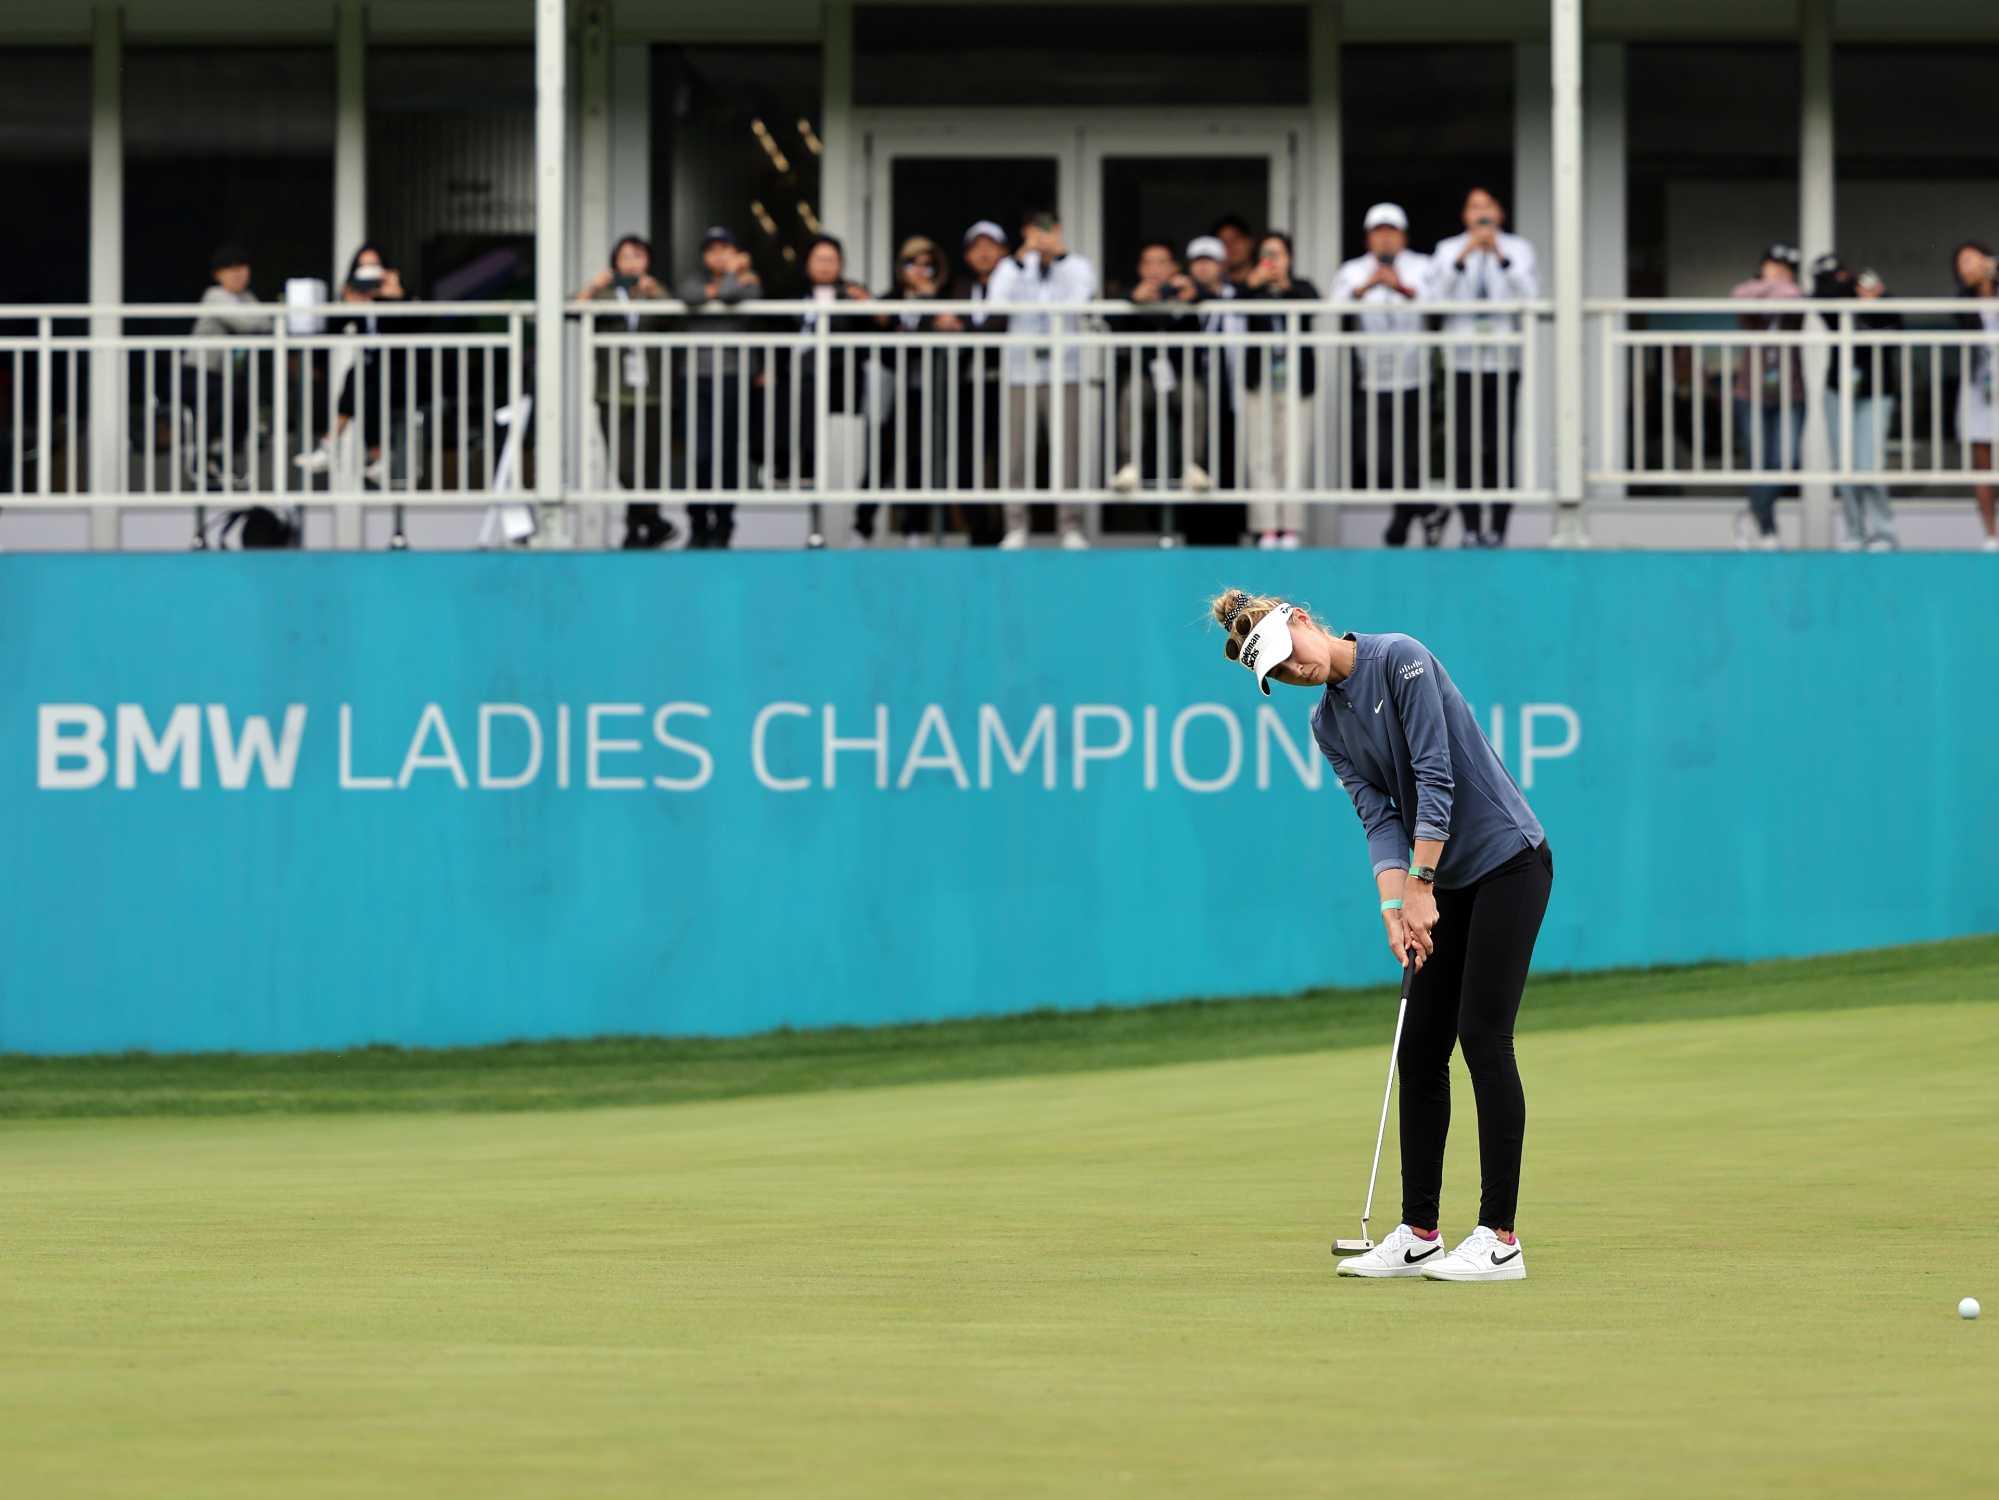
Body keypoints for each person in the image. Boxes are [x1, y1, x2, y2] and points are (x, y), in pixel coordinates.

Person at [1209, 587, 1553, 1282]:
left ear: (1301, 620)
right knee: (1420, 1048)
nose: (1291, 671)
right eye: (1274, 674)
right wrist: (1394, 909)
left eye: (1287, 655)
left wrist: (1421, 885)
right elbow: (1377, 818)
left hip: (1507, 862)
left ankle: (1499, 1238)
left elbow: (1435, 775)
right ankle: (1419, 1230)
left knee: (1482, 1036)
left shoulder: (1401, 659)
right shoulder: (1326, 726)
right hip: (1440, 881)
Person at [1429, 188, 1538, 547]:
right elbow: (1435, 299)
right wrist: (1465, 255)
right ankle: (1471, 525)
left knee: (1500, 445)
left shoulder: (1518, 249)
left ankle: (1499, 527)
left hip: (1503, 362)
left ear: (1500, 214)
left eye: (1487, 207)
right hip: (1462, 363)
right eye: (1474, 207)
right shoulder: (1448, 250)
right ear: (1465, 216)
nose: (1481, 213)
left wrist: (1500, 256)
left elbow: (1531, 296)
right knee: (1464, 446)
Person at [1332, 203, 1441, 547]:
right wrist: (1366, 287)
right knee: (1375, 456)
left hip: (1415, 375)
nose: (1385, 239)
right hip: (1372, 377)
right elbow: (1333, 306)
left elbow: (1439, 303)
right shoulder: (1352, 270)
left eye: (1391, 232)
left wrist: (1402, 288)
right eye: (1378, 232)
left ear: (1403, 236)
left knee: (1409, 457)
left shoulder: (1423, 266)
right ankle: (1427, 508)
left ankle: (1399, 527)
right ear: (1368, 238)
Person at [296, 245, 420, 546]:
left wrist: (395, 298)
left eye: (375, 267)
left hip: (405, 375)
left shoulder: (399, 295)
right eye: (362, 269)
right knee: (361, 379)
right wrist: (346, 303)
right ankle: (374, 457)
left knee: (363, 377)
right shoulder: (360, 300)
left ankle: (330, 444)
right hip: (372, 377)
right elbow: (333, 333)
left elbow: (414, 327)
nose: (369, 276)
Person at [988, 208, 1097, 549]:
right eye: (1036, 231)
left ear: (1060, 231)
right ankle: (1016, 524)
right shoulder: (1011, 267)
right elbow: (997, 302)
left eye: (1048, 231)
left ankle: (1070, 526)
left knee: (1067, 452)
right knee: (1016, 451)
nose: (1042, 237)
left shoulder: (1076, 265)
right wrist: (1022, 262)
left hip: (1064, 371)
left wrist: (1058, 257)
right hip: (1021, 373)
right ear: (1024, 233)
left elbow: (1080, 298)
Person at [576, 234, 677, 549]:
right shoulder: (605, 295)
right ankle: (652, 519)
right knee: (623, 463)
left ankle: (638, 529)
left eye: (638, 256)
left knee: (650, 465)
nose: (632, 262)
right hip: (613, 392)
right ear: (614, 263)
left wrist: (655, 291)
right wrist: (594, 286)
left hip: (652, 391)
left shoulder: (655, 292)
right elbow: (569, 309)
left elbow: (677, 317)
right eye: (625, 257)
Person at [676, 226, 761, 549]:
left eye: (725, 249)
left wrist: (730, 278)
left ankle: (723, 524)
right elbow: (688, 296)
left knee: (726, 453)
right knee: (699, 452)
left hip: (732, 375)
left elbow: (730, 296)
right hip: (694, 376)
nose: (717, 255)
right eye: (711, 250)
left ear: (737, 252)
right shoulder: (694, 278)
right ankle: (698, 523)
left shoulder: (750, 281)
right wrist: (731, 276)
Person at [1811, 253, 1900, 553]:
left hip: (1877, 391)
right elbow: (1822, 301)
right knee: (1844, 466)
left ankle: (1884, 534)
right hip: (1839, 390)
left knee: (1868, 465)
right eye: (1830, 278)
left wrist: (1877, 299)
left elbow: (1897, 326)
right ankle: (1854, 531)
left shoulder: (1876, 295)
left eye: (1840, 275)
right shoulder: (1830, 300)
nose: (1837, 283)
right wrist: (1849, 292)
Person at [864, 235, 949, 546]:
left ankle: (915, 530)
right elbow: (882, 342)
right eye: (913, 263)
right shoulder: (889, 300)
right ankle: (861, 527)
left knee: (918, 461)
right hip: (891, 393)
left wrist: (929, 304)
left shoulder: (944, 300)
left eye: (928, 265)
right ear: (901, 267)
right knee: (880, 460)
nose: (920, 271)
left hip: (926, 393)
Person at [1237, 231, 1320, 550]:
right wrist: (1255, 283)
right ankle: (1266, 527)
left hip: (1295, 385)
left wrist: (1284, 283)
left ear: (1290, 258)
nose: (1272, 261)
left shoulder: (1301, 287)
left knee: (1293, 453)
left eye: (1279, 254)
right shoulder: (1250, 289)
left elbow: (1312, 306)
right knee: (1261, 454)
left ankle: (1290, 527)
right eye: (1267, 254)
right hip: (1261, 382)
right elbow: (1235, 306)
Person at [1108, 240, 1209, 496]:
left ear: (1174, 267)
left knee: (1193, 395)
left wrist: (1195, 296)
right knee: (1132, 394)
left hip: (1182, 376)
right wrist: (1132, 300)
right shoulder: (1132, 295)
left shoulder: (1187, 292)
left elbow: (1215, 303)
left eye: (1162, 262)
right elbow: (1110, 319)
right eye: (1148, 262)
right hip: (1144, 377)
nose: (1155, 269)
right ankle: (1129, 467)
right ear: (1140, 268)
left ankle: (1193, 467)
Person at [784, 233, 871, 521]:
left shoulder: (854, 292)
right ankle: (800, 475)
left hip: (841, 383)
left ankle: (846, 521)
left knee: (840, 456)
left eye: (831, 260)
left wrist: (866, 306)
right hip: (800, 382)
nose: (824, 266)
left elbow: (871, 331)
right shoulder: (791, 294)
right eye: (819, 259)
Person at [1728, 242, 1807, 551]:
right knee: (1758, 461)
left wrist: (1776, 286)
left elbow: (1794, 298)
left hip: (1792, 393)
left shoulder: (1795, 295)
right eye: (1770, 266)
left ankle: (1752, 512)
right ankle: (1767, 526)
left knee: (1786, 461)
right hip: (1751, 392)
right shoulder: (1751, 290)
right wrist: (1771, 285)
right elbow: (1739, 296)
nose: (1776, 273)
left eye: (1783, 268)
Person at [940, 221, 1009, 545]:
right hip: (968, 385)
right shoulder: (959, 285)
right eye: (976, 247)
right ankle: (978, 529)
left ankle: (1008, 528)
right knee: (966, 459)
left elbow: (998, 325)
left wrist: (966, 330)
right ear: (967, 255)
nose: (984, 253)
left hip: (1007, 384)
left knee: (1007, 459)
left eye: (991, 246)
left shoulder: (1014, 284)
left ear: (1004, 252)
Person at [181, 244, 268, 493]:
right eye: (231, 269)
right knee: (227, 394)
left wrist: (258, 320)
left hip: (222, 378)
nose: (239, 274)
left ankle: (224, 455)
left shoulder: (246, 298)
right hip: (196, 373)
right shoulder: (214, 295)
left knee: (241, 396)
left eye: (242, 268)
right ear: (218, 275)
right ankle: (206, 457)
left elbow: (265, 322)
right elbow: (249, 322)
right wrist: (256, 320)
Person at [1183, 236, 1248, 547]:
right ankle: (1195, 535)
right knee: (1197, 461)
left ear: (1222, 265)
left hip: (1234, 393)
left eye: (1209, 261)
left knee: (1232, 460)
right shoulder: (1185, 301)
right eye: (1198, 262)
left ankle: (1232, 535)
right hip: (1196, 396)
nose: (1204, 267)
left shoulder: (1239, 298)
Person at [1953, 240, 1999, 551]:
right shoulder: (1963, 300)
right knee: (1981, 456)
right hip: (1978, 385)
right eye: (1961, 264)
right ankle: (1990, 533)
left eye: (1972, 260)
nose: (1967, 267)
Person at [1212, 214, 1257, 292]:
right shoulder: (1211, 288)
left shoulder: (1266, 284)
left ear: (1250, 242)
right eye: (1223, 242)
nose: (1230, 246)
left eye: (1235, 239)